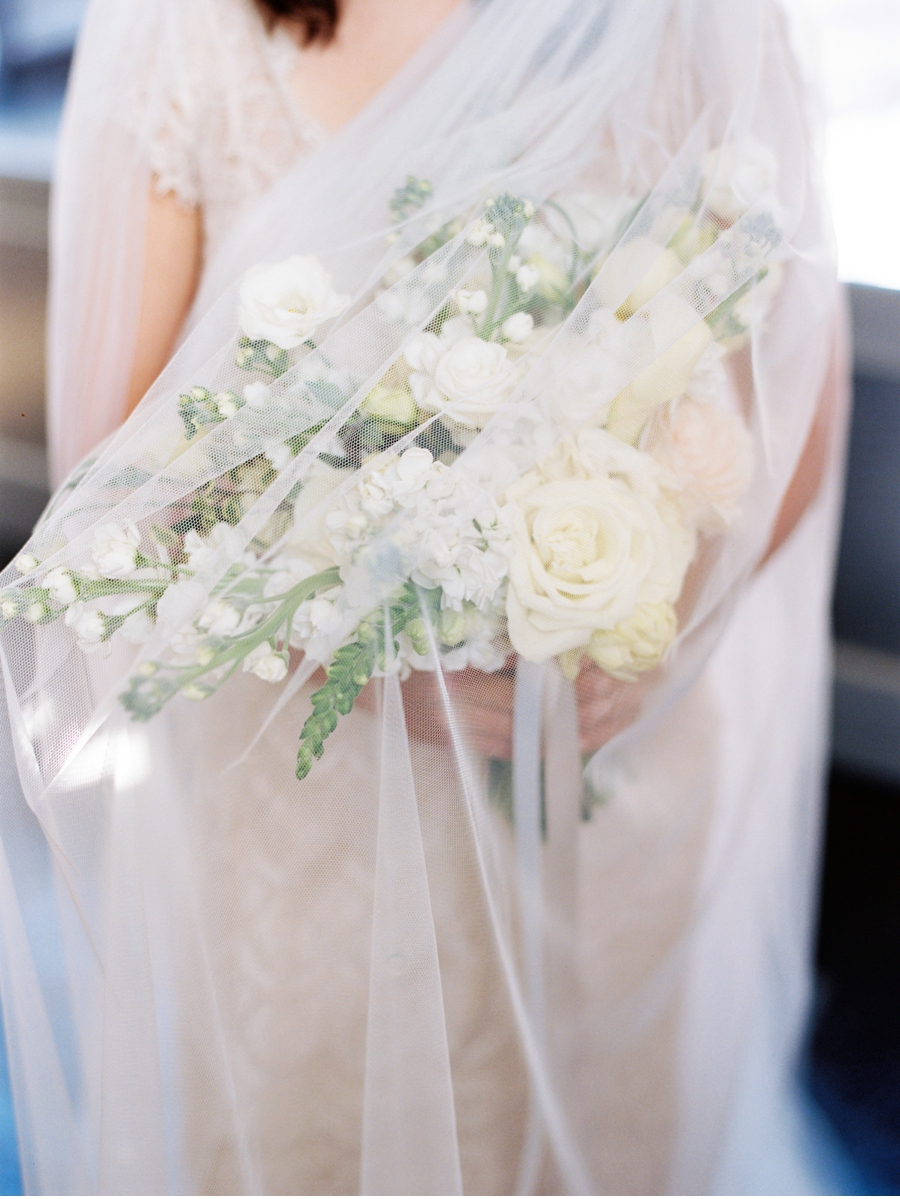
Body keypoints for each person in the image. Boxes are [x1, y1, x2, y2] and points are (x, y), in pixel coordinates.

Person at [0, 0, 847, 1192]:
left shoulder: (693, 18)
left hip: (618, 782)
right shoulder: (182, 29)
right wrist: (341, 649)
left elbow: (792, 391)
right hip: (310, 810)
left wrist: (648, 635)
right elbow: (117, 464)